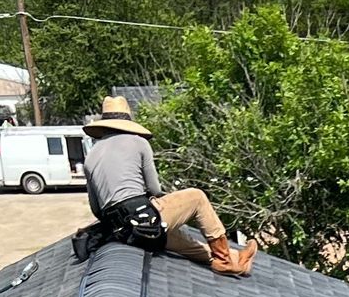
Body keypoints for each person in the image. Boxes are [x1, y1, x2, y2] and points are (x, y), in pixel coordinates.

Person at [81, 97, 255, 276]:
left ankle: (234, 260)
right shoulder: (138, 142)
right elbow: (155, 189)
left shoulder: (91, 155)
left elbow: (96, 209)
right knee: (197, 197)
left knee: (177, 239)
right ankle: (225, 260)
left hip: (122, 232)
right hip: (143, 219)